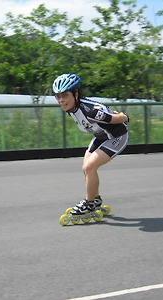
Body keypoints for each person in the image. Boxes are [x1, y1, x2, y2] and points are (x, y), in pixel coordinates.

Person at [52, 73, 129, 216]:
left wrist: (125, 117)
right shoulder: (71, 107)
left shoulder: (92, 111)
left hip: (116, 136)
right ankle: (95, 199)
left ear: (75, 94)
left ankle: (88, 203)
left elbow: (114, 118)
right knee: (86, 168)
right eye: (58, 96)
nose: (61, 100)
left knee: (89, 167)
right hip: (100, 136)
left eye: (65, 95)